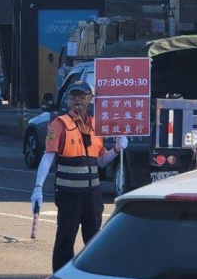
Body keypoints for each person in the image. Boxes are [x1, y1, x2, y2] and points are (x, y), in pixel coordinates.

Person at [30, 80, 128, 273]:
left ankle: (92, 275)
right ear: (68, 98)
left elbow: (100, 161)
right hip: (69, 194)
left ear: (89, 99)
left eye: (82, 96)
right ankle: (62, 274)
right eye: (74, 96)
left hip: (92, 195)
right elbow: (48, 156)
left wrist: (117, 149)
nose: (77, 100)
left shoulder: (95, 126)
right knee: (65, 239)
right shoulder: (59, 124)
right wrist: (38, 187)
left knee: (94, 241)